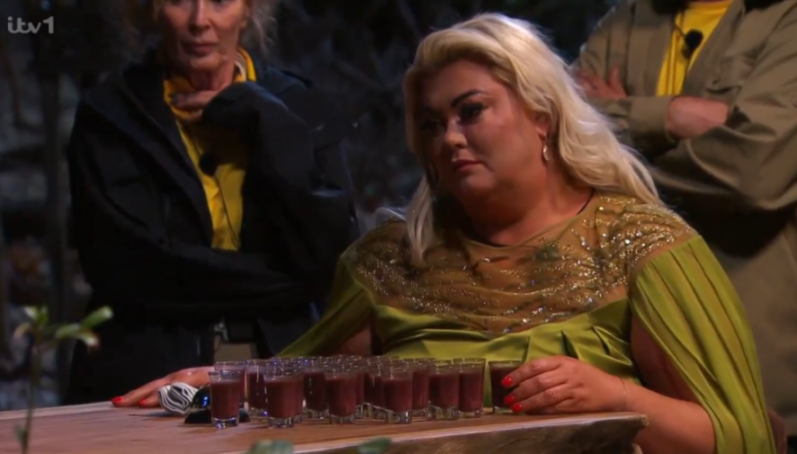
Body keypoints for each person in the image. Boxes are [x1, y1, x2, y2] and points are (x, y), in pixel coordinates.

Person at [117, 13, 778, 453]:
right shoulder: (391, 260)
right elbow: (315, 383)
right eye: (431, 125)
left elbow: (741, 435)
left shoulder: (642, 245)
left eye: (471, 112)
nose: (449, 139)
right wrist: (225, 381)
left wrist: (619, 396)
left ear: (542, 115)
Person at [65, 0, 358, 405]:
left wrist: (269, 123)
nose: (199, 21)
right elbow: (131, 272)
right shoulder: (111, 116)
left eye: (220, 1)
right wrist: (288, 281)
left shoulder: (299, 107)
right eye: (179, 1)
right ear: (151, 10)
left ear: (248, 9)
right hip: (145, 376)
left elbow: (336, 259)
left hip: (282, 368)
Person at [573, 0, 797, 450]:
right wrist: (673, 114)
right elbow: (565, 140)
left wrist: (620, 135)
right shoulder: (623, 23)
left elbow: (754, 172)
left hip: (760, 360)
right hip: (628, 374)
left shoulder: (785, 18)